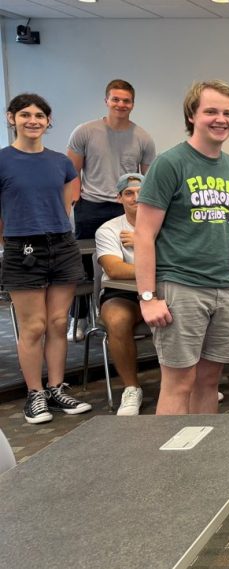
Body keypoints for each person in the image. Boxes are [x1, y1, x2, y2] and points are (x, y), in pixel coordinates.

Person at [134, 80, 229, 416]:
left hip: (227, 290)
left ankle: (202, 460)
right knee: (179, 383)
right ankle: (168, 468)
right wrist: (147, 297)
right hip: (182, 287)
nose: (221, 119)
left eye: (228, 113)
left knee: (209, 382)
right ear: (192, 115)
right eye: (211, 111)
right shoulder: (170, 163)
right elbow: (144, 234)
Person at [1, 93, 92, 424]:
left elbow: (66, 204)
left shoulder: (61, 163)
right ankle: (34, 394)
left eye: (40, 115)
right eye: (25, 114)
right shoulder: (3, 160)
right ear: (12, 118)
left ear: (48, 121)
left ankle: (56, 387)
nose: (33, 120)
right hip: (21, 247)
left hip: (62, 245)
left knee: (57, 323)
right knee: (34, 325)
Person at [67, 79, 156, 240]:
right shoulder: (84, 132)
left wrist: (141, 206)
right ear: (106, 101)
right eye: (115, 99)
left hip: (126, 206)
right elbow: (72, 170)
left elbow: (148, 179)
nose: (121, 104)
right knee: (88, 257)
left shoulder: (144, 138)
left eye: (126, 101)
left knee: (126, 254)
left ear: (133, 104)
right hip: (90, 206)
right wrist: (76, 200)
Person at [95, 173, 148, 415]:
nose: (136, 197)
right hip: (121, 294)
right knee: (117, 320)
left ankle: (189, 383)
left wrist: (142, 242)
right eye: (129, 193)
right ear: (119, 198)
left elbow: (184, 259)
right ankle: (131, 388)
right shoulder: (109, 229)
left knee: (190, 309)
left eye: (141, 191)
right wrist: (157, 266)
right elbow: (114, 269)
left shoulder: (167, 222)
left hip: (161, 290)